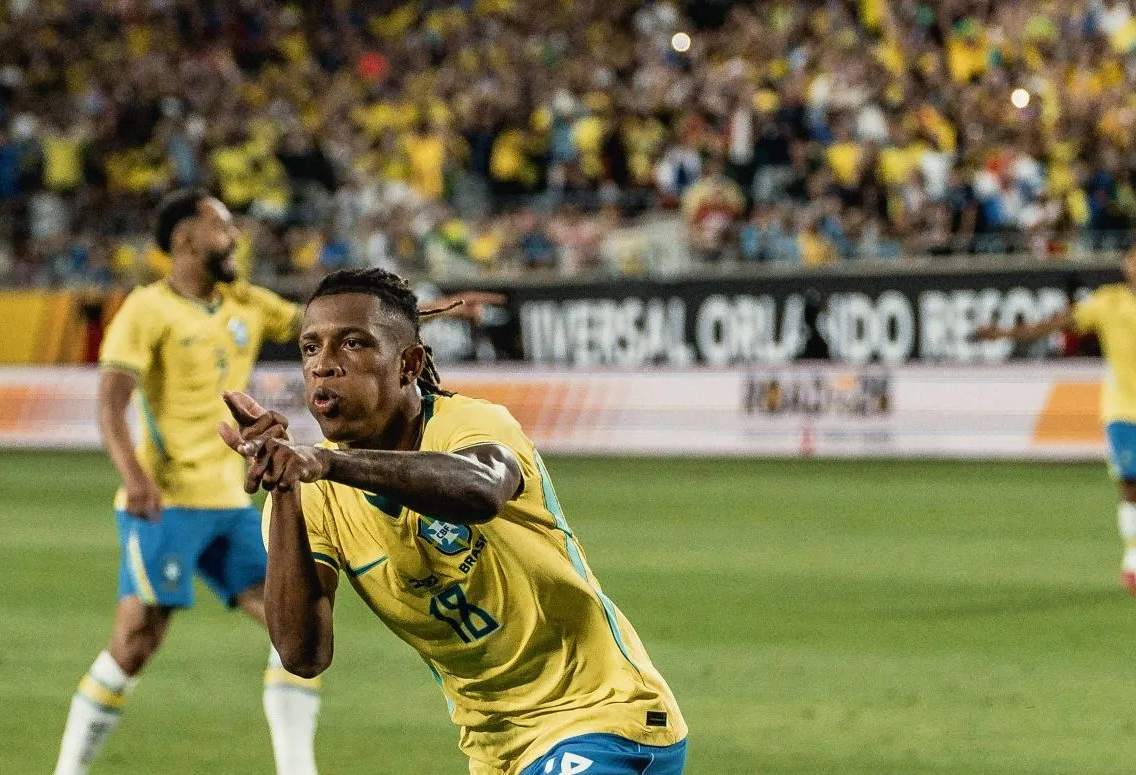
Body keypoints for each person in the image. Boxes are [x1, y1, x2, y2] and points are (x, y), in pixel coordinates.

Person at [54, 189, 506, 774]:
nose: (234, 237)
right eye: (220, 228)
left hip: (236, 498)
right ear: (185, 240)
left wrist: (434, 310)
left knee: (287, 621)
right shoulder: (146, 310)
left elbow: (340, 323)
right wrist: (134, 477)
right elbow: (112, 403)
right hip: (168, 503)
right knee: (137, 641)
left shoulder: (243, 303)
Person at [218, 268, 688, 775]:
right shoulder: (313, 494)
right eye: (310, 348)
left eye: (352, 344)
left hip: (603, 715)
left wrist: (328, 463)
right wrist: (284, 490)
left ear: (409, 365)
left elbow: (480, 490)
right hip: (495, 754)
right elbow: (301, 653)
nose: (324, 366)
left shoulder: (471, 424)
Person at [974, 247, 1136, 595]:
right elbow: (1055, 324)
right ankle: (1133, 560)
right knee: (1131, 484)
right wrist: (1004, 333)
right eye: (1134, 260)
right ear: (1127, 266)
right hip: (1124, 411)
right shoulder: (1107, 302)